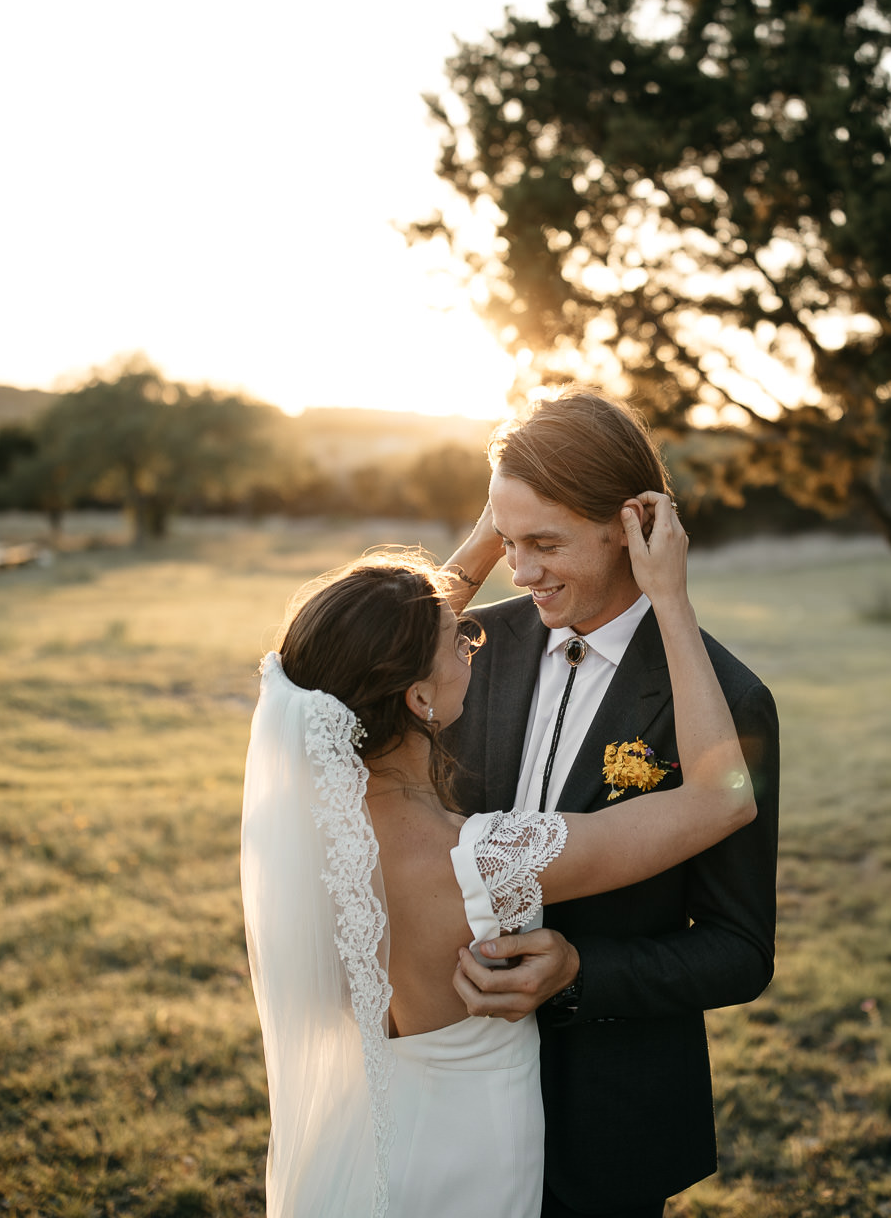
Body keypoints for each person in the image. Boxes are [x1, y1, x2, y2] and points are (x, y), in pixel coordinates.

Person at [241, 486, 753, 1217]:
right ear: (420, 698)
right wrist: (670, 598)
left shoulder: (306, 828)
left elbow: (374, 651)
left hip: (360, 1157)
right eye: (460, 638)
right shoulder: (483, 862)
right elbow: (723, 797)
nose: (477, 635)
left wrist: (495, 527)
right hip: (469, 1170)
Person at [447, 389, 781, 1218]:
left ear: (630, 525)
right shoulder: (470, 647)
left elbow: (741, 950)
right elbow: (338, 685)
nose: (520, 572)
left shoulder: (727, 702)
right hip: (455, 1090)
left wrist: (579, 974)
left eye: (545, 543)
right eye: (507, 542)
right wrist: (497, 522)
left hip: (609, 1120)